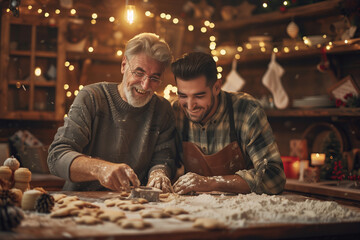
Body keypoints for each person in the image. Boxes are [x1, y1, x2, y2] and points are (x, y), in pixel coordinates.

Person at [48, 33, 176, 192]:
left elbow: (163, 159)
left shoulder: (163, 110)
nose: (145, 85)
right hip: (82, 201)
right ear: (123, 65)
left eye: (155, 78)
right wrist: (100, 169)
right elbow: (56, 157)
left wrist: (159, 173)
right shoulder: (92, 97)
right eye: (139, 72)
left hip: (136, 207)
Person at [171, 52, 286, 195]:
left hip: (244, 209)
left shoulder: (247, 110)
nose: (190, 106)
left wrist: (210, 183)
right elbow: (165, 162)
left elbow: (274, 178)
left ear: (217, 87)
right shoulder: (176, 112)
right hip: (194, 209)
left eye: (199, 96)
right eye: (183, 96)